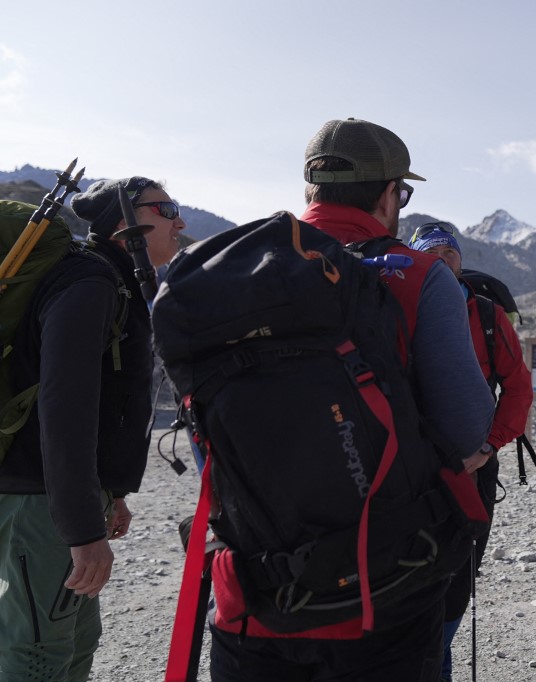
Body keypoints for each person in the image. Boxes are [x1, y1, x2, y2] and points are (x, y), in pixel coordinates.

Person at [206, 118, 495, 682]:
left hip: (254, 582)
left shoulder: (230, 274)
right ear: (390, 195)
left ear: (310, 189)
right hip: (386, 581)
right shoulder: (417, 276)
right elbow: (466, 428)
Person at [0, 177, 186, 681]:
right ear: (127, 221)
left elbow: (111, 402)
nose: (179, 221)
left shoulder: (114, 280)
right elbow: (65, 406)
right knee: (38, 652)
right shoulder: (88, 283)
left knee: (78, 641)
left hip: (57, 498)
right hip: (38, 500)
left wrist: (112, 493)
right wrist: (82, 528)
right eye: (167, 208)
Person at [410, 222, 533, 682]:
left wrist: (487, 445)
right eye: (432, 252)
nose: (443, 258)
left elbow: (518, 387)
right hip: (412, 465)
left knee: (459, 575)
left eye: (450, 252)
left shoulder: (484, 314)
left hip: (473, 466)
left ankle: (435, 662)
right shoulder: (403, 305)